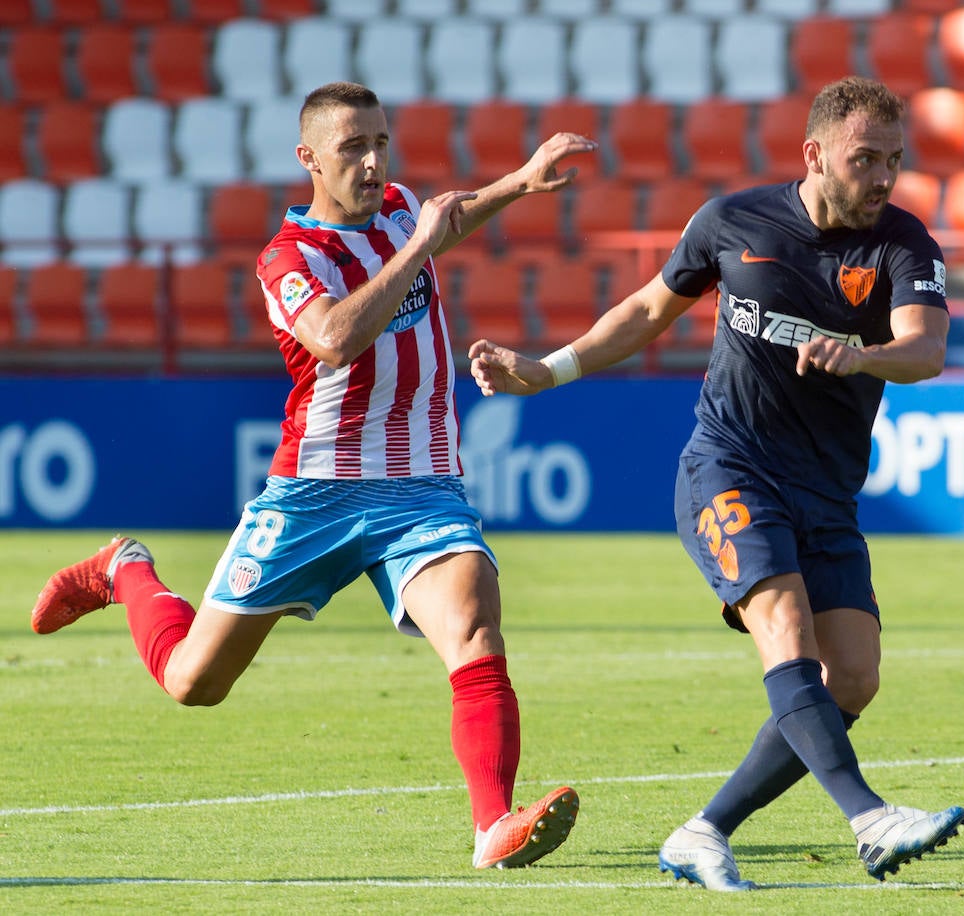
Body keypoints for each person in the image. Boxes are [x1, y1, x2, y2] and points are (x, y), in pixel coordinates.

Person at [31, 81, 595, 871]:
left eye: (380, 143)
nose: (372, 163)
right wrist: (418, 245)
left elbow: (449, 216)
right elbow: (334, 338)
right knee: (194, 682)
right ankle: (126, 570)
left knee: (474, 632)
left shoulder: (401, 209)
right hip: (317, 492)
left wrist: (520, 181)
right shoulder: (288, 258)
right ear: (309, 161)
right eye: (351, 149)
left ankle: (492, 826)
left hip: (421, 486)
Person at [468, 75, 964, 890]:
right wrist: (548, 370)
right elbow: (645, 312)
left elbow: (926, 350)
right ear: (815, 154)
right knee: (784, 625)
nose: (883, 177)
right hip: (730, 466)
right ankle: (871, 820)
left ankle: (703, 833)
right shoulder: (732, 222)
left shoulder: (904, 247)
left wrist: (864, 355)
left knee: (857, 674)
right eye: (864, 158)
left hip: (827, 490)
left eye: (894, 160)